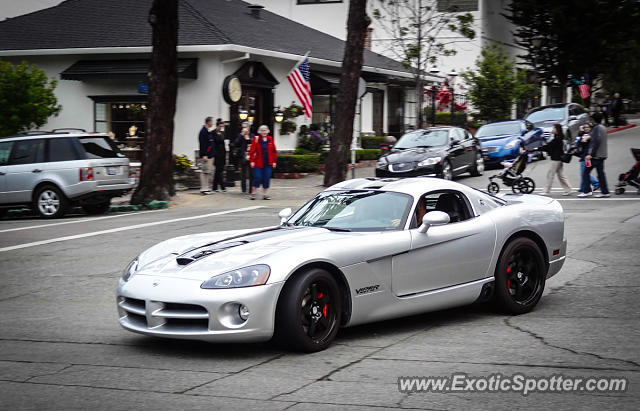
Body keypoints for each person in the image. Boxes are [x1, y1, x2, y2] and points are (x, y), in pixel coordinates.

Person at [580, 112, 610, 198]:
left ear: (594, 119)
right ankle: (605, 192)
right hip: (602, 155)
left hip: (595, 156)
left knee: (585, 172)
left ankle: (587, 191)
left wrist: (590, 154)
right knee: (601, 174)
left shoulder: (597, 128)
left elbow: (596, 142)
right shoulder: (602, 127)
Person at [540, 123, 572, 196]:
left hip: (555, 159)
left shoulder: (557, 139)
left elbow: (548, 147)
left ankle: (547, 190)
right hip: (559, 159)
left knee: (550, 174)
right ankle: (568, 189)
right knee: (560, 175)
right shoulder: (558, 138)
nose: (552, 130)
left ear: (557, 130)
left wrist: (537, 149)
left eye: (553, 128)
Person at [248, 125, 277, 200]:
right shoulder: (256, 139)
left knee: (266, 178)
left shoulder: (270, 139)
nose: (264, 132)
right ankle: (253, 193)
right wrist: (252, 161)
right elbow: (251, 151)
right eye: (262, 130)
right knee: (257, 177)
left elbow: (274, 151)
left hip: (268, 163)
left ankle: (265, 194)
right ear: (260, 132)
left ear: (267, 131)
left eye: (265, 130)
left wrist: (274, 161)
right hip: (258, 163)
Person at [575, 124, 599, 194]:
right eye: (584, 127)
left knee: (584, 173)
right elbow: (578, 142)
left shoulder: (589, 135)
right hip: (585, 157)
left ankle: (596, 184)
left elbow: (582, 141)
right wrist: (581, 133)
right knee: (585, 173)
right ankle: (583, 188)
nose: (585, 129)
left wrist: (582, 133)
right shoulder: (585, 135)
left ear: (590, 128)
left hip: (586, 158)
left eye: (587, 127)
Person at [234, 126, 254, 193]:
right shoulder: (240, 136)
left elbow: (254, 143)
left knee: (252, 174)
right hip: (243, 157)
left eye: (247, 131)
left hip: (251, 157)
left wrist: (248, 139)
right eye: (244, 131)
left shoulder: (252, 136)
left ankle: (251, 189)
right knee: (243, 174)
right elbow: (236, 144)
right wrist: (241, 135)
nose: (246, 132)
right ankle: (244, 189)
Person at [198, 117, 215, 195]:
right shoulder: (203, 132)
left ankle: (207, 187)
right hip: (206, 155)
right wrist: (204, 154)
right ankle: (203, 188)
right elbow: (202, 144)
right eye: (212, 122)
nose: (212, 123)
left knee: (208, 172)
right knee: (204, 171)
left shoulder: (208, 132)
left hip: (210, 155)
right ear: (208, 122)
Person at [212, 118, 227, 193]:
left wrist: (225, 154)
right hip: (217, 153)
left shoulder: (222, 133)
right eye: (220, 126)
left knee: (219, 171)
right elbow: (212, 144)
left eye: (222, 127)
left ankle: (215, 187)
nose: (221, 128)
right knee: (218, 170)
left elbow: (223, 144)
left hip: (222, 153)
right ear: (217, 125)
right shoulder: (213, 133)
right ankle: (222, 187)